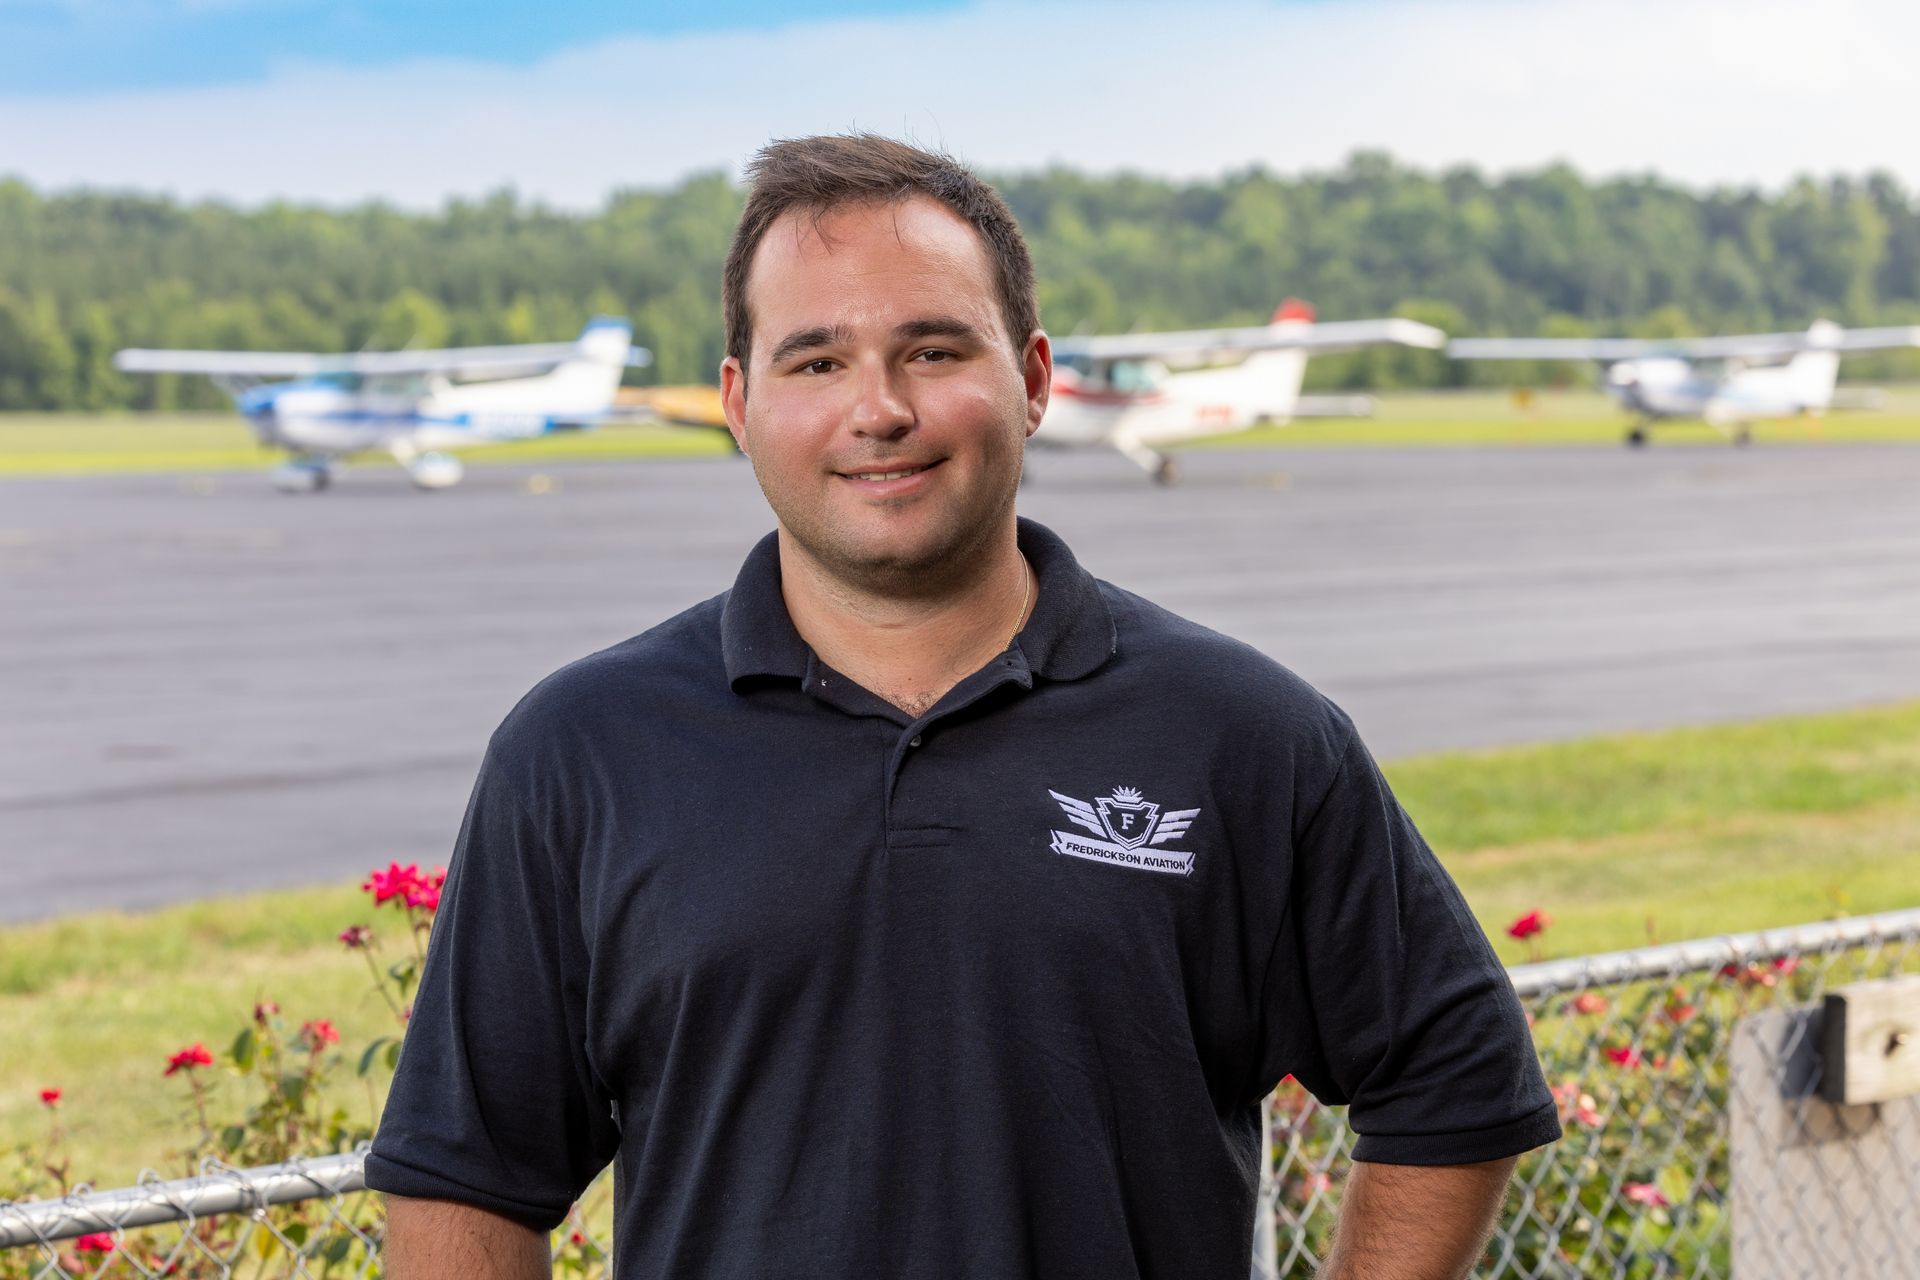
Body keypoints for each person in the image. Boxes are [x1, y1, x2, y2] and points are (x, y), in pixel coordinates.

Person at [366, 134, 1559, 1279]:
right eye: (816, 360)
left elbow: (1454, 1073)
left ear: (1032, 380)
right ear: (739, 403)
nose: (878, 408)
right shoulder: (582, 751)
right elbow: (463, 1177)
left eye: (934, 351)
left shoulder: (1241, 732)